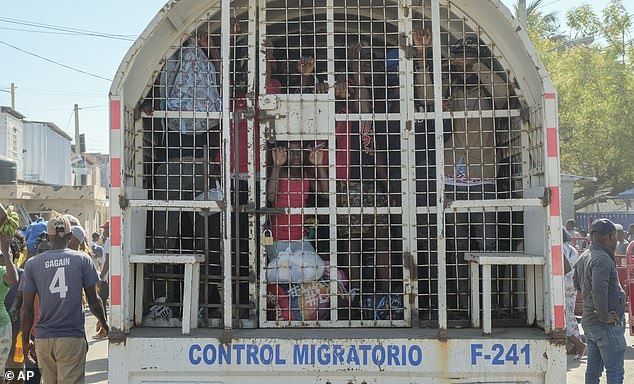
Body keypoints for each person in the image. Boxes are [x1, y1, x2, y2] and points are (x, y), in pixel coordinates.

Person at [19, 214, 108, 384]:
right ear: (69, 236)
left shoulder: (32, 264)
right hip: (71, 338)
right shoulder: (83, 259)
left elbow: (26, 308)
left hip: (43, 339)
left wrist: (25, 341)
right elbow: (93, 300)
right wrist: (104, 324)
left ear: (47, 236)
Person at [573, 218, 626, 384]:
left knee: (593, 371)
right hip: (605, 325)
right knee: (615, 372)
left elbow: (577, 284)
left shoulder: (584, 256)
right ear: (610, 236)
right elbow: (598, 289)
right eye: (616, 237)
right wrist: (604, 316)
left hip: (590, 322)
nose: (617, 241)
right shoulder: (602, 258)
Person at [266, 142, 327, 259]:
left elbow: (326, 194)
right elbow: (270, 196)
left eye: (299, 152)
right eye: (291, 152)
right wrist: (277, 166)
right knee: (283, 272)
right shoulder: (277, 173)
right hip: (277, 238)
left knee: (314, 268)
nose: (296, 156)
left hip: (300, 238)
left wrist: (319, 164)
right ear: (284, 154)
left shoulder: (306, 173)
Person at [562, 229, 585, 359]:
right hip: (572, 284)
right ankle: (574, 345)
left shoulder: (557, 247)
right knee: (569, 315)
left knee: (558, 317)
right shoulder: (573, 249)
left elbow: (565, 268)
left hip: (561, 283)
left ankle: (578, 344)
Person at [0, 223, 20, 379]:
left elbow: (13, 280)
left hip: (6, 327)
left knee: (13, 371)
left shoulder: (4, 272)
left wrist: (6, 252)